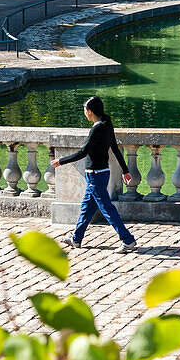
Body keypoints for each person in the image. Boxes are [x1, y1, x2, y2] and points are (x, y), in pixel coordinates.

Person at [50, 97, 137, 253]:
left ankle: (128, 240)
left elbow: (83, 152)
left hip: (95, 175)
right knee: (87, 208)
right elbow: (115, 150)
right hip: (101, 174)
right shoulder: (107, 126)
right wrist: (125, 170)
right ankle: (76, 239)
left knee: (107, 209)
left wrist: (61, 161)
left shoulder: (97, 128)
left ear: (90, 111)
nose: (85, 113)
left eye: (85, 111)